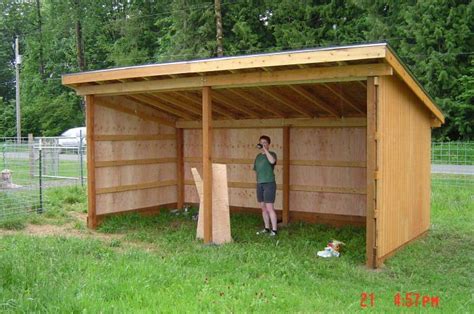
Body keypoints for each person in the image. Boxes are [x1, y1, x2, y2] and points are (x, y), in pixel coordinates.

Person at [253, 135, 278, 236]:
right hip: (260, 184)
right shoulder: (258, 157)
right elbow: (256, 170)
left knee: (269, 207)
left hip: (269, 184)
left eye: (264, 143)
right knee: (263, 207)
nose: (262, 144)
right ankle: (267, 228)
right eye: (261, 142)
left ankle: (274, 230)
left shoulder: (272, 154)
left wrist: (265, 150)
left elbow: (272, 161)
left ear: (268, 144)